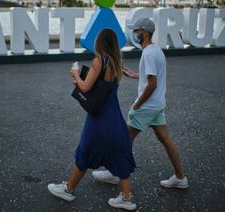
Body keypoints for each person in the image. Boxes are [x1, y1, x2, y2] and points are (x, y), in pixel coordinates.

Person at [92, 18, 189, 189]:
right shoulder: (156, 50)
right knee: (165, 139)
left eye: (136, 31)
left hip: (146, 107)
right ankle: (180, 177)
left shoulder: (148, 54)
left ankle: (114, 174)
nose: (134, 34)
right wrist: (136, 75)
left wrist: (137, 104)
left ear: (145, 32)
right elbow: (152, 76)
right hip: (158, 105)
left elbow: (152, 84)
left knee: (124, 140)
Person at [47, 28, 137, 211]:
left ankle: (68, 189)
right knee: (120, 152)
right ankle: (127, 198)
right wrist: (81, 81)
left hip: (99, 118)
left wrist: (75, 75)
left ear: (100, 42)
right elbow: (101, 86)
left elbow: (86, 88)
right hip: (115, 116)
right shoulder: (116, 61)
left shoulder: (99, 60)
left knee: (85, 150)